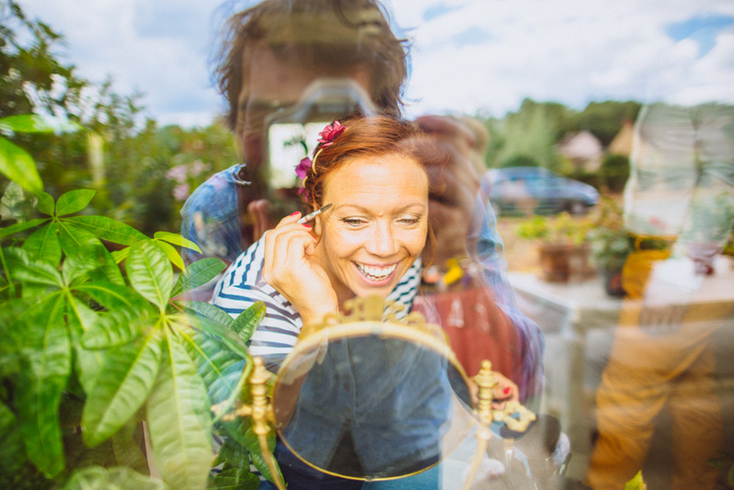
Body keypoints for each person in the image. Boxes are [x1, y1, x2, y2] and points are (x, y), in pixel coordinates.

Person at [182, 0, 544, 403]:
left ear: (384, 127)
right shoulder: (217, 210)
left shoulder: (427, 197)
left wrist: (452, 267)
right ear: (237, 120)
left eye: (334, 118)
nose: (309, 152)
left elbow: (513, 391)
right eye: (271, 117)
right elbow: (215, 401)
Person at [212, 115, 520, 489]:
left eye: (408, 218)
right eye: (355, 220)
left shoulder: (400, 262)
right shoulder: (251, 297)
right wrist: (318, 318)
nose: (384, 247)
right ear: (315, 211)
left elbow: (385, 343)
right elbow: (255, 431)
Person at [585, 102, 734, 489]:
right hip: (673, 259)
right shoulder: (689, 96)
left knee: (626, 398)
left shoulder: (705, 94)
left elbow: (724, 174)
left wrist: (681, 269)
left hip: (681, 262)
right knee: (694, 396)